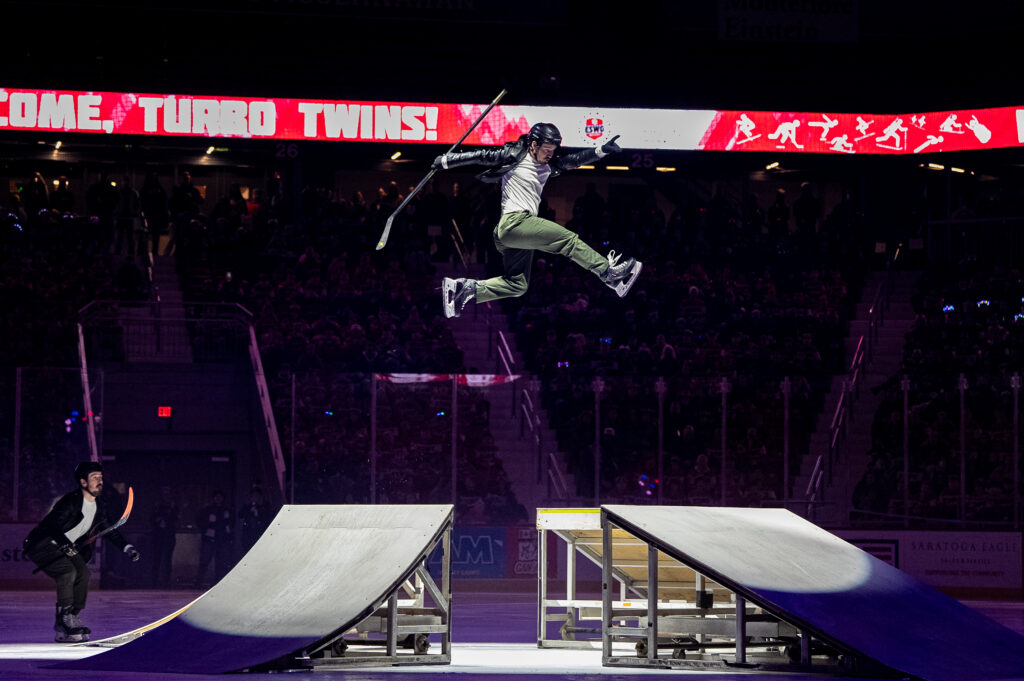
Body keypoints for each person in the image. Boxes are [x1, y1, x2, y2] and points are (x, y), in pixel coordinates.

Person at [430, 123, 642, 318]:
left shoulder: (550, 166)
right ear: (533, 144)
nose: (550, 155)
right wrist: (447, 161)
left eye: (553, 151)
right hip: (514, 223)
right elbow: (482, 156)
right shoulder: (514, 154)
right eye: (546, 150)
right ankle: (609, 273)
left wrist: (601, 150)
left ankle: (465, 290)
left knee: (517, 284)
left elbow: (575, 160)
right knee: (567, 240)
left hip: (515, 234)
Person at [22, 461, 140, 642]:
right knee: (67, 571)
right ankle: (65, 619)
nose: (100, 481)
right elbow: (51, 524)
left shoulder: (99, 505)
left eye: (100, 477)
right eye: (94, 478)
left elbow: (108, 528)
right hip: (43, 545)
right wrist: (64, 544)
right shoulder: (70, 501)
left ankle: (70, 618)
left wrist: (127, 547)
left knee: (83, 573)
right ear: (83, 482)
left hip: (66, 547)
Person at [193, 490, 233, 588]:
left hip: (222, 540)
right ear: (213, 498)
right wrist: (207, 528)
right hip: (209, 540)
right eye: (216, 497)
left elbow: (231, 523)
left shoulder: (226, 510)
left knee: (220, 562)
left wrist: (227, 531)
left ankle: (218, 583)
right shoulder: (207, 510)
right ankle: (198, 583)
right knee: (204, 562)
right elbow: (199, 521)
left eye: (220, 497)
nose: (218, 499)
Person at [150, 485, 178, 588]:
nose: (166, 493)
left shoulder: (173, 505)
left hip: (168, 535)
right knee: (157, 558)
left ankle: (166, 581)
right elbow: (152, 518)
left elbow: (175, 519)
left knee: (167, 559)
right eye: (164, 491)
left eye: (167, 491)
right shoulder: (157, 505)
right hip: (158, 535)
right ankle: (155, 581)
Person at [238, 485, 271, 552]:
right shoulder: (247, 506)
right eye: (253, 495)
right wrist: (249, 511)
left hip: (260, 534)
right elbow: (240, 516)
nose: (255, 497)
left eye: (256, 495)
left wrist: (258, 513)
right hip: (248, 535)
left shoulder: (265, 506)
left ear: (260, 496)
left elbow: (268, 518)